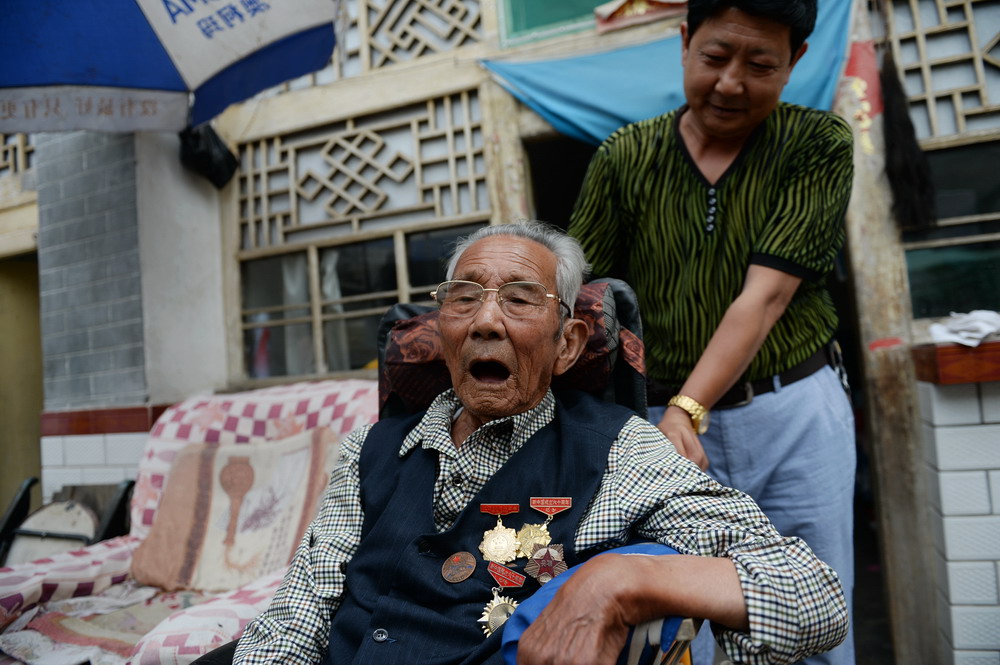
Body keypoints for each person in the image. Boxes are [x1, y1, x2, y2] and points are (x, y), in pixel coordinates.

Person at [210, 222, 847, 665]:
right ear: (441, 330)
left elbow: (811, 595)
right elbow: (298, 616)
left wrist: (620, 580)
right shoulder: (370, 450)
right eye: (464, 298)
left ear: (567, 344)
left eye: (519, 300)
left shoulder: (619, 451)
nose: (486, 320)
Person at [567, 2, 856, 664]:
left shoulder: (817, 144)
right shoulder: (624, 156)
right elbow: (584, 298)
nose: (730, 83)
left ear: (796, 61)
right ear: (684, 40)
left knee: (811, 613)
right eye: (715, 57)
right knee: (681, 627)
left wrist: (687, 408)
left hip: (791, 411)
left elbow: (766, 296)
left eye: (760, 64)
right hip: (661, 432)